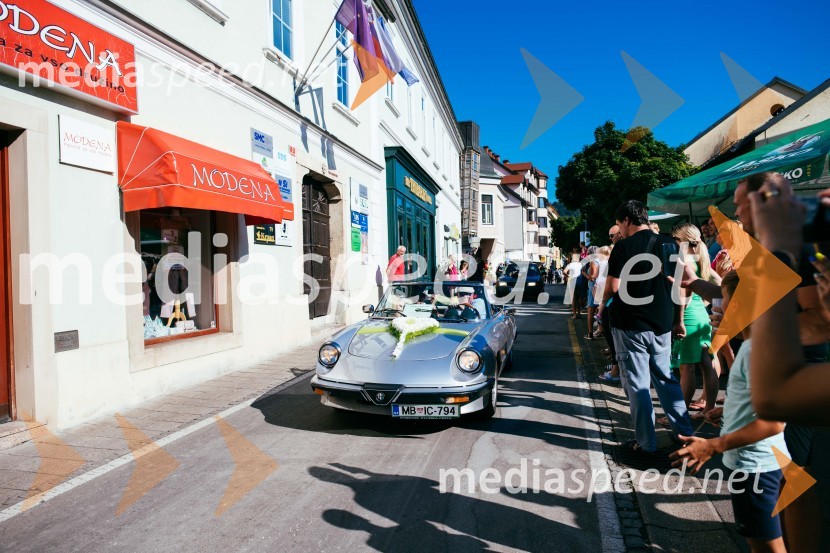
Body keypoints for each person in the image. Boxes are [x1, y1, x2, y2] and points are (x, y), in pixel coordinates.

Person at [678, 173, 828, 553]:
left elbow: (819, 319)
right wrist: (697, 284)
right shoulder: (764, 247)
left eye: (741, 205)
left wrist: (757, 327)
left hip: (797, 373)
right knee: (784, 479)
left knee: (795, 479)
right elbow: (740, 295)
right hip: (776, 370)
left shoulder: (796, 241)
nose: (736, 214)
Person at [671, 270, 789, 553]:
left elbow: (773, 422)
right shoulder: (753, 346)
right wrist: (730, 410)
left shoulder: (757, 351)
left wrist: (712, 446)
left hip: (756, 467)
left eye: (723, 299)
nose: (717, 307)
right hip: (755, 464)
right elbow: (757, 400)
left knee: (766, 546)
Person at [603, 200, 693, 454]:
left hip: (630, 323)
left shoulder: (623, 247)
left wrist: (601, 306)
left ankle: (646, 444)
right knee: (666, 379)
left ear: (627, 220)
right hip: (663, 322)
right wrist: (678, 319)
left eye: (619, 224)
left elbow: (612, 288)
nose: (620, 230)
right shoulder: (670, 244)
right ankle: (685, 435)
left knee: (638, 384)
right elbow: (679, 286)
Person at [671, 223, 720, 418]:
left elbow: (684, 293)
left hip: (689, 316)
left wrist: (679, 320)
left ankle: (680, 416)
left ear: (681, 241)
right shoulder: (702, 258)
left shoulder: (684, 260)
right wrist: (706, 302)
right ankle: (709, 409)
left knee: (687, 368)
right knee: (707, 365)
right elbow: (720, 283)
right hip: (702, 316)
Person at [598, 226, 622, 382]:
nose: (611, 239)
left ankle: (616, 369)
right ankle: (616, 366)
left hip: (615, 302)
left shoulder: (621, 251)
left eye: (612, 236)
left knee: (614, 338)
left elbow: (612, 286)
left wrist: (602, 302)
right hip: (615, 302)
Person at [582, 246, 601, 339]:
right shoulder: (601, 261)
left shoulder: (593, 262)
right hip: (600, 287)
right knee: (599, 310)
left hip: (593, 287)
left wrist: (584, 274)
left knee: (590, 311)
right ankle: (599, 330)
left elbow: (592, 277)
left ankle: (590, 333)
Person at [564, 254, 584, 319]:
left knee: (573, 299)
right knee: (578, 298)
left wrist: (568, 276)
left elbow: (564, 272)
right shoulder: (581, 264)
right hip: (580, 282)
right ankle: (579, 314)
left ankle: (574, 314)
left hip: (572, 282)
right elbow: (583, 272)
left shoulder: (570, 265)